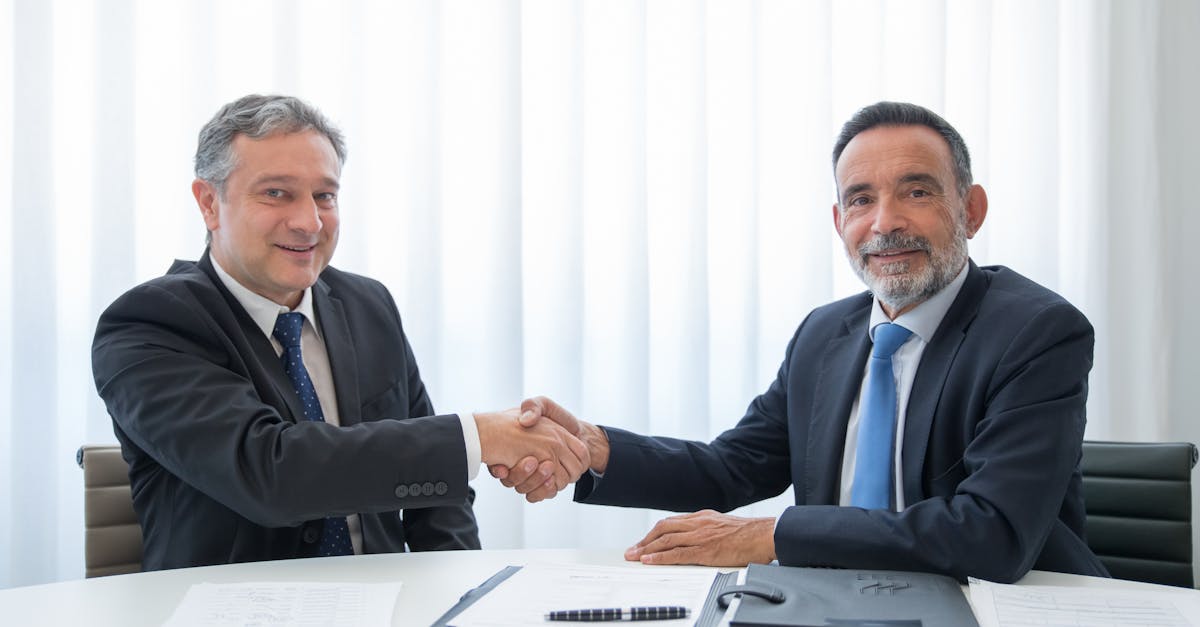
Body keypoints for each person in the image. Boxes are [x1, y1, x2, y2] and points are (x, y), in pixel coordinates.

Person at [495, 101, 1108, 583]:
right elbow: (732, 468)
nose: (885, 222)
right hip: (829, 601)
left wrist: (772, 535)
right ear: (840, 223)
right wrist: (596, 448)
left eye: (917, 191)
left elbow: (992, 534)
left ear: (971, 210)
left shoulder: (1037, 332)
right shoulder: (824, 334)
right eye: (861, 200)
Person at [92, 94, 587, 570]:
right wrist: (476, 437)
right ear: (209, 203)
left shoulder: (368, 305)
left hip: (387, 604)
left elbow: (438, 500)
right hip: (230, 606)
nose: (309, 222)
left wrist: (458, 591)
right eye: (276, 193)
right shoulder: (149, 323)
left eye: (324, 196)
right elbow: (271, 472)